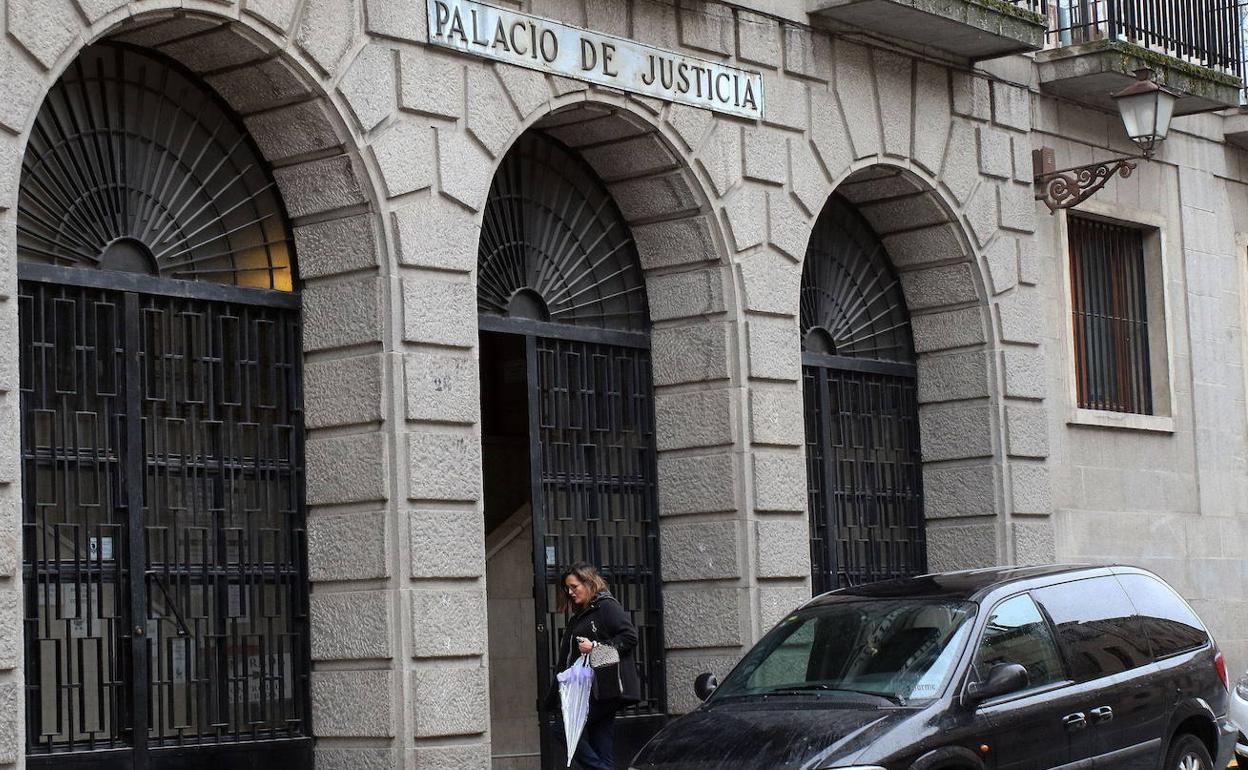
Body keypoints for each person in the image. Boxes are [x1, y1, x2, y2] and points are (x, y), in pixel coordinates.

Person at [550, 562, 640, 770]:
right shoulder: (584, 612)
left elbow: (630, 637)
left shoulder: (606, 606)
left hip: (604, 688)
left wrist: (596, 647)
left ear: (589, 583)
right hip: (597, 689)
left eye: (574, 587)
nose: (570, 592)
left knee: (563, 728)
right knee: (602, 749)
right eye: (567, 588)